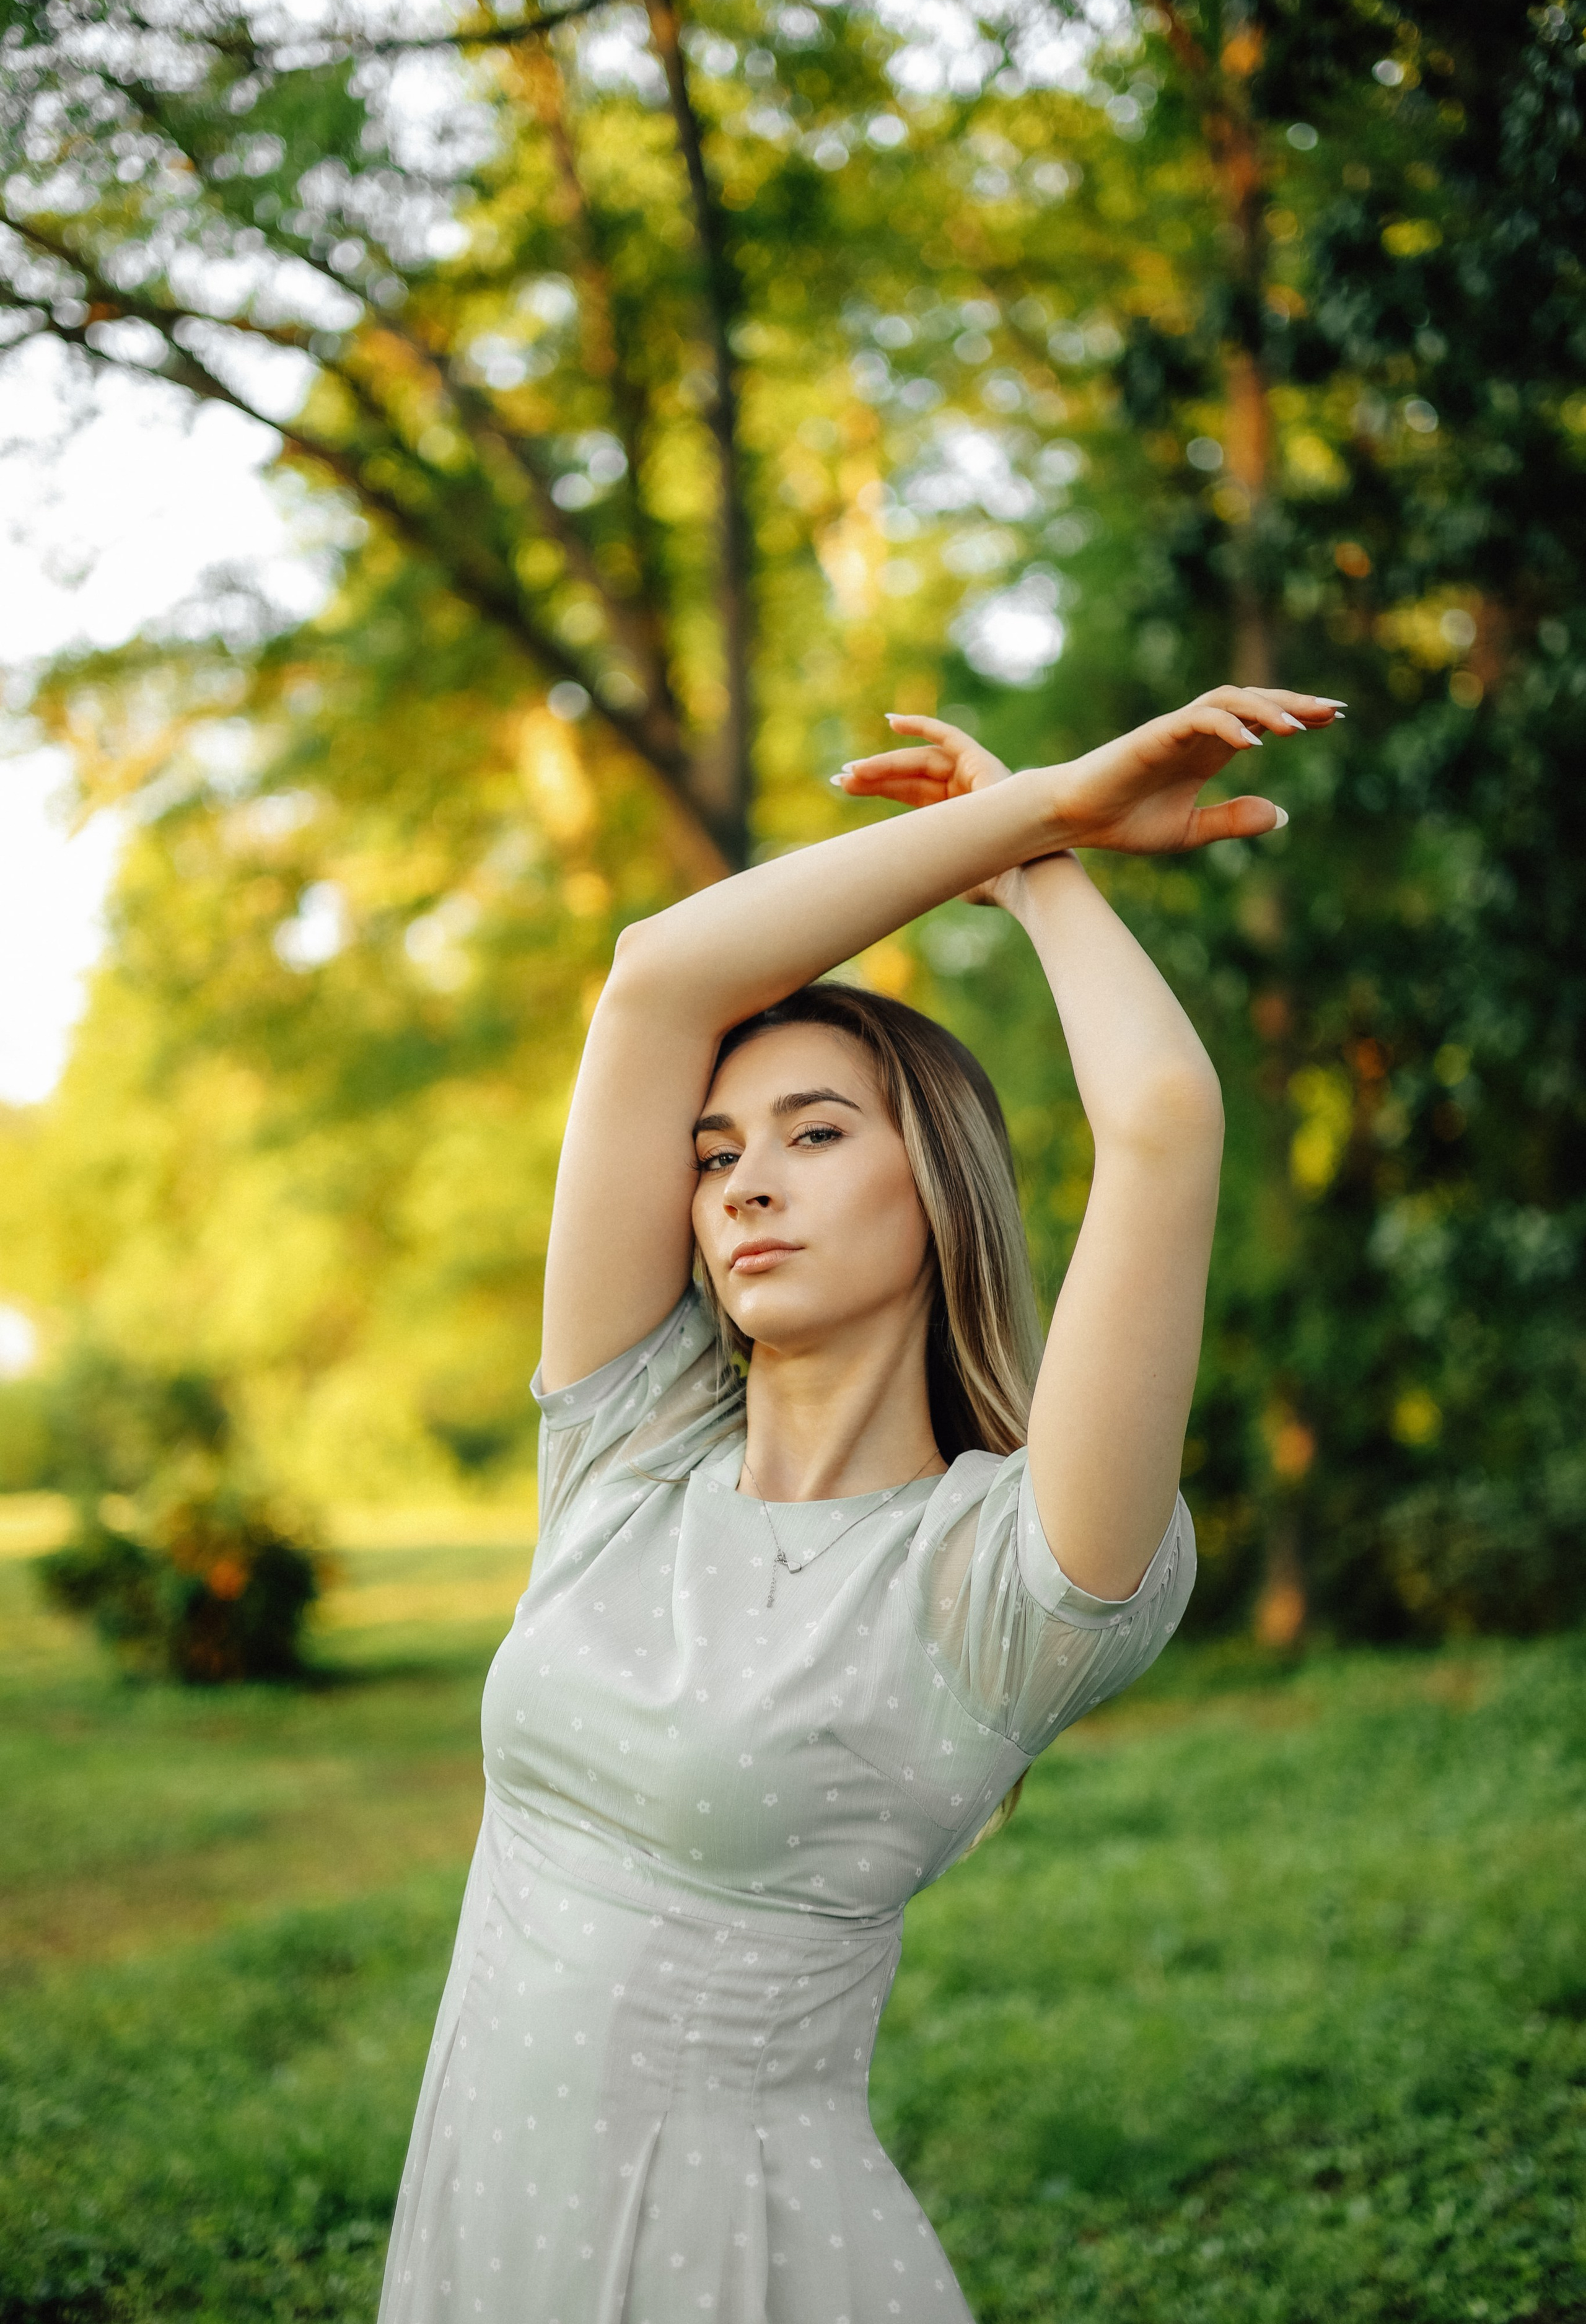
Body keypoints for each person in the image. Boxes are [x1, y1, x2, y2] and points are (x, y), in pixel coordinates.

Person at [376, 685, 1338, 2324]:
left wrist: (1051, 851)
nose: (743, 1179)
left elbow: (1164, 1127)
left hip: (742, 2263)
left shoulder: (1003, 1578)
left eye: (814, 1133)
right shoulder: (631, 1449)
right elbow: (657, 981)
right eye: (715, 1151)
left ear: (935, 1184)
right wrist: (1021, 805)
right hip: (481, 2216)